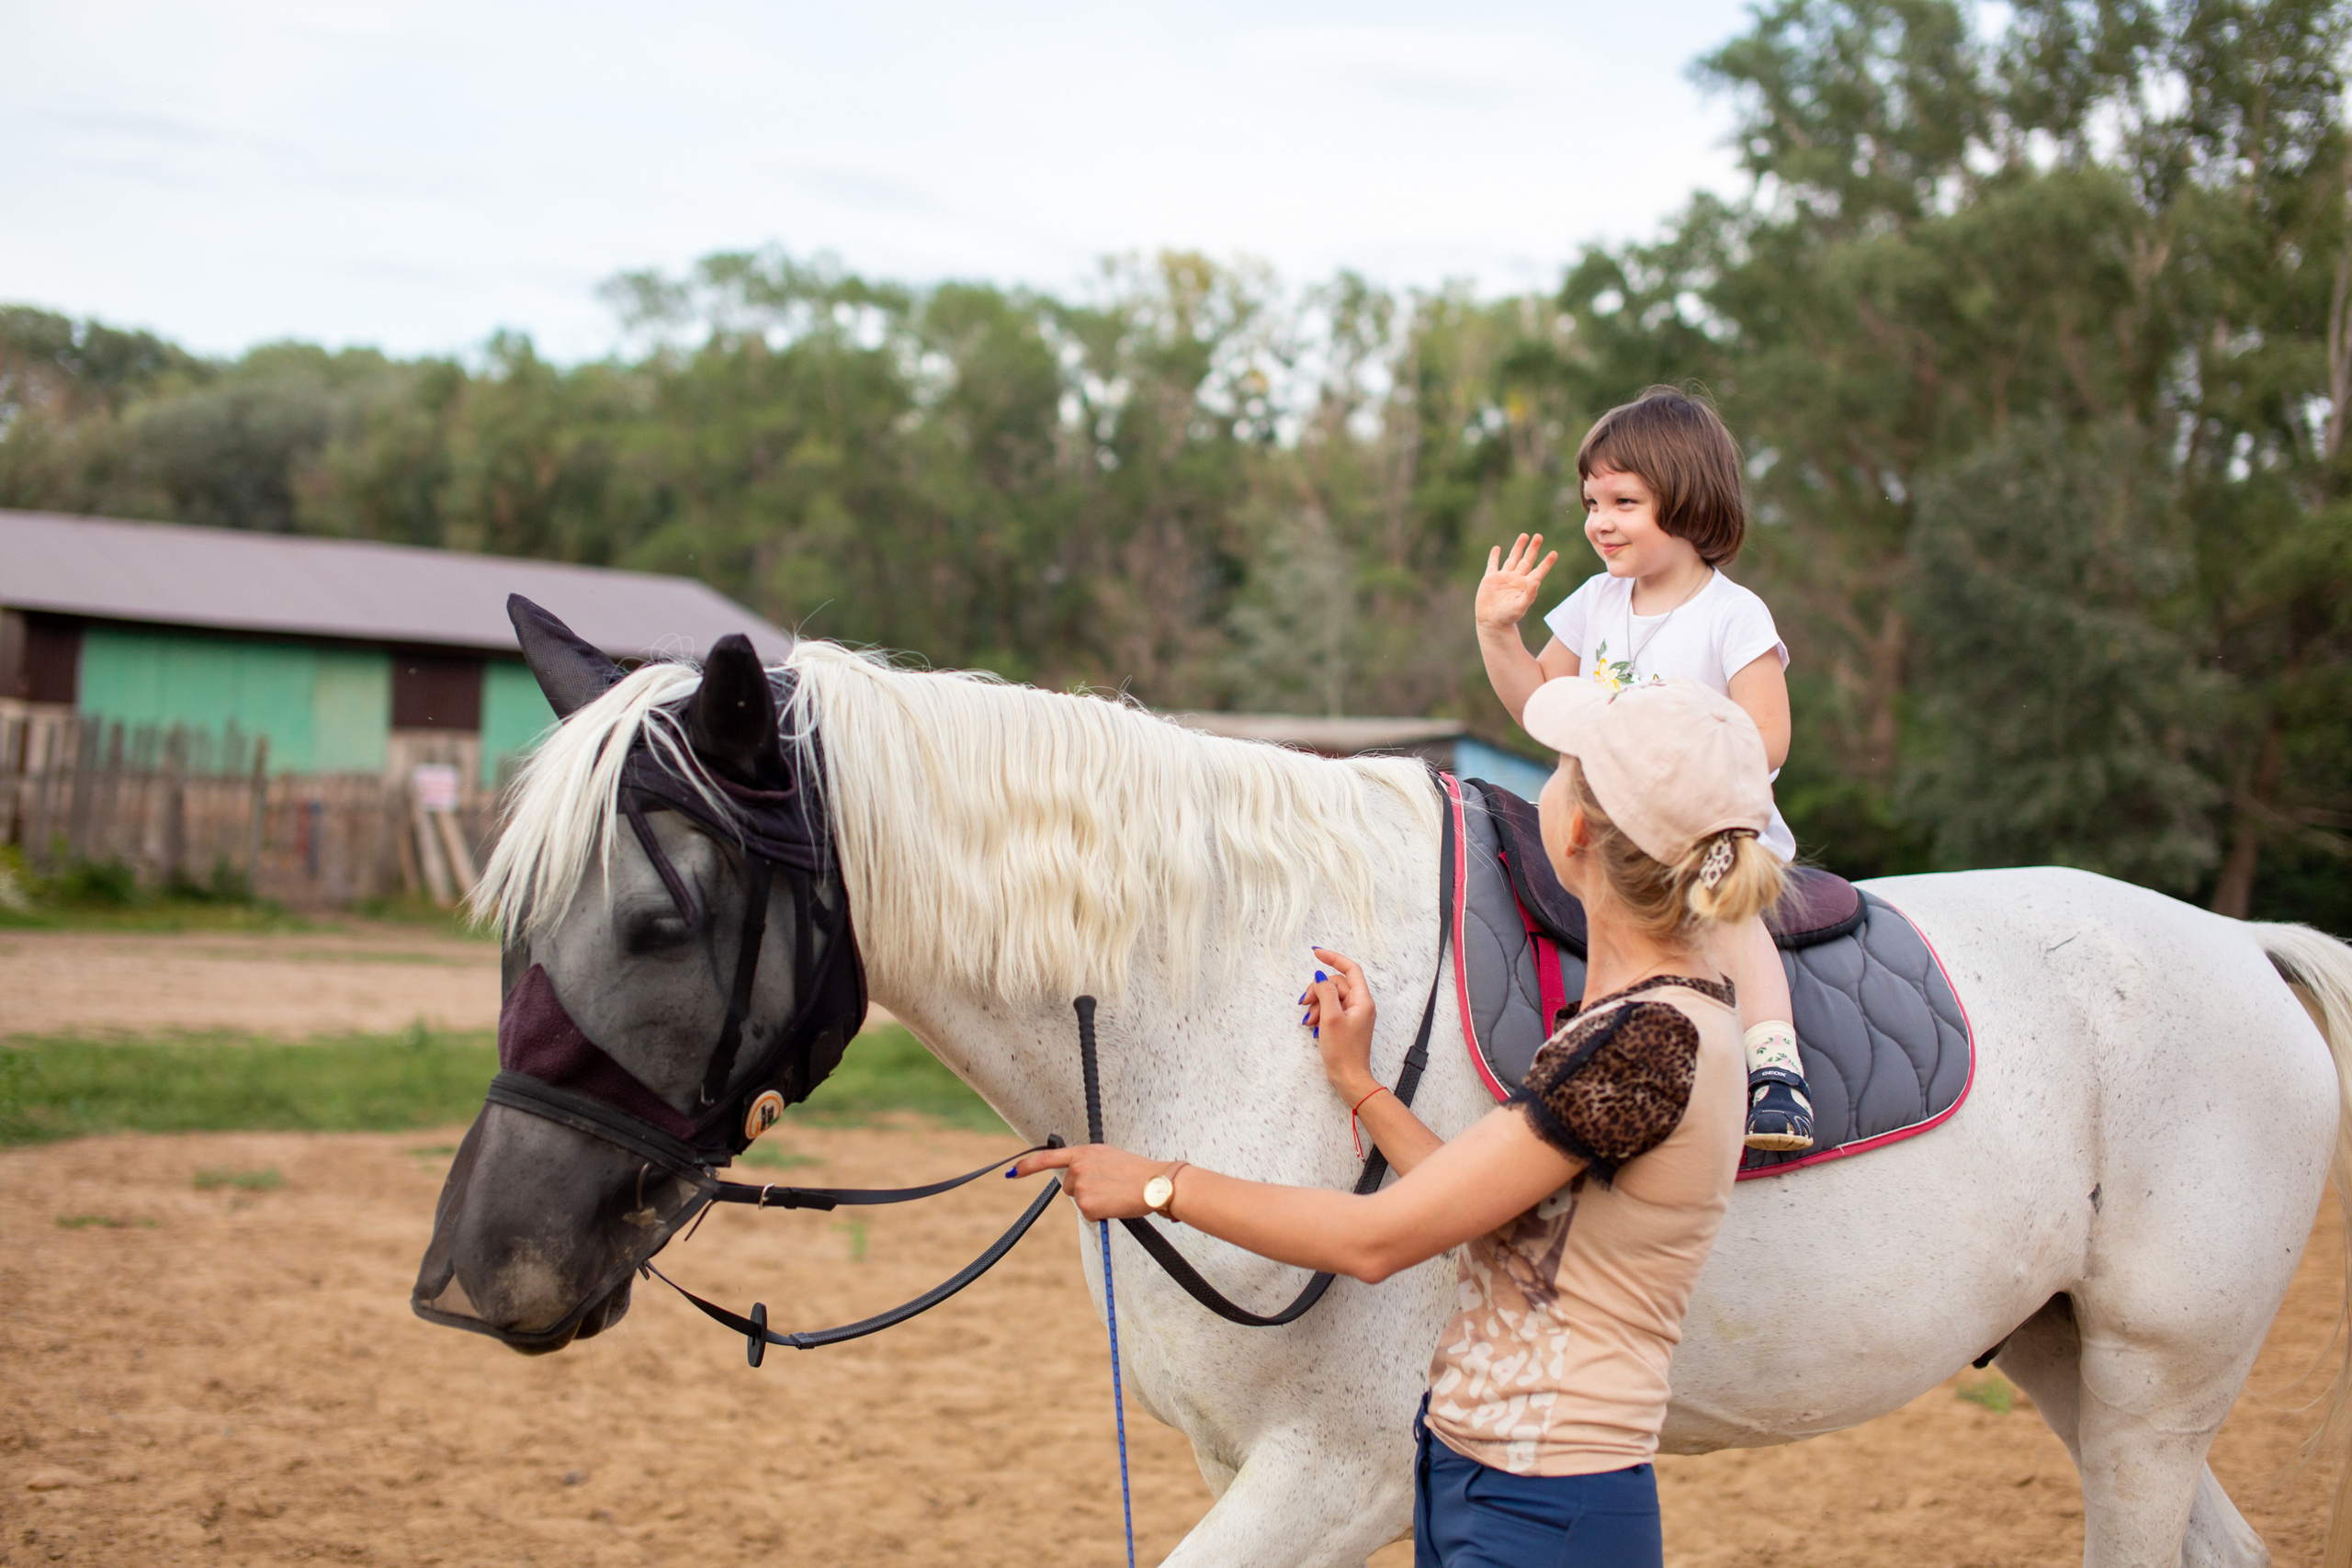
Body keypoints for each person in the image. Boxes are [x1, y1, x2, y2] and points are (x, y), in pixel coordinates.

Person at [1015, 675, 1787, 1568]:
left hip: (1543, 1504)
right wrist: (1361, 1085)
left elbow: (1377, 1241)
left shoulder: (1642, 1044)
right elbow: (1491, 1208)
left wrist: (1160, 1185)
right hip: (1493, 1479)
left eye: (1564, 769)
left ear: (1575, 830)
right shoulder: (1645, 1020)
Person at [1471, 385, 1812, 1152]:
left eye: (1624, 500)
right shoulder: (1596, 600)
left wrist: (1671, 757)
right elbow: (1539, 703)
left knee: (1727, 913)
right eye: (1592, 501)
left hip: (1701, 831)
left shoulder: (1733, 613)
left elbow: (1771, 737)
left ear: (1688, 499)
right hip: (1603, 833)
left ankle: (1775, 1067)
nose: (1599, 521)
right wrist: (1498, 634)